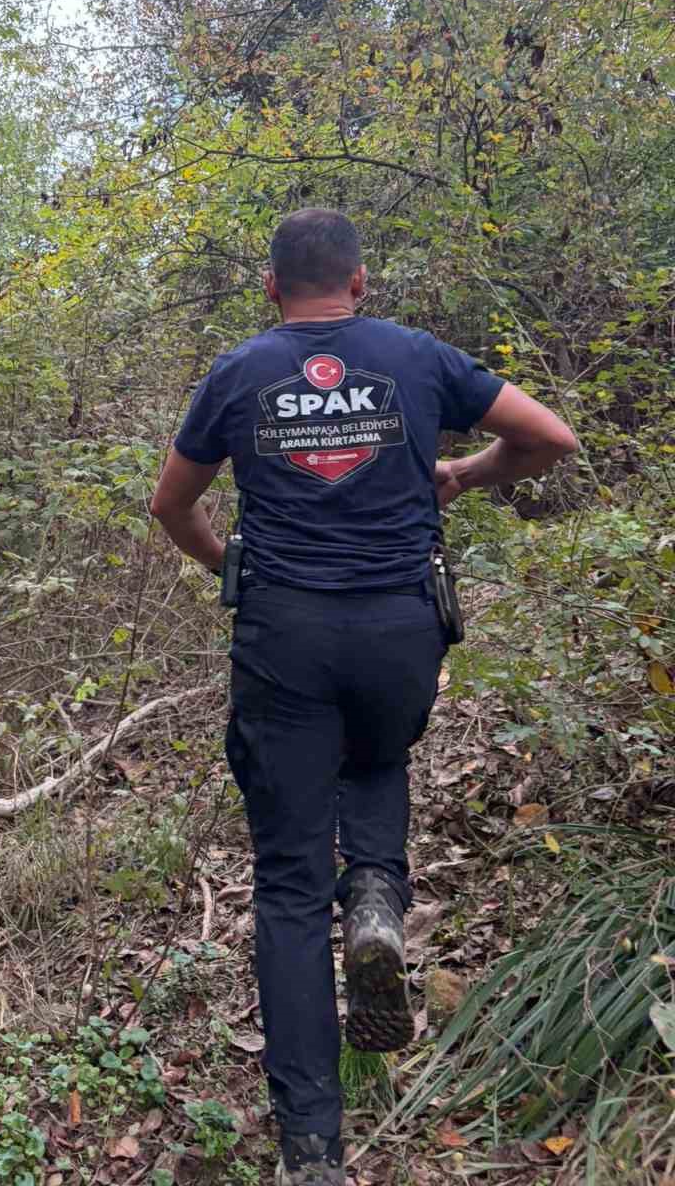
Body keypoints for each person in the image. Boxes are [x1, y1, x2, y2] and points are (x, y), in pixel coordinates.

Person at [149, 209, 578, 1186]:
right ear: (361, 281)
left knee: (292, 889)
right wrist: (463, 473)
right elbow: (549, 436)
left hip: (285, 637)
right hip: (398, 631)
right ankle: (379, 896)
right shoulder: (418, 357)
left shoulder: (239, 372)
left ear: (270, 288)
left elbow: (171, 503)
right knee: (378, 755)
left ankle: (312, 1153)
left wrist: (228, 565)